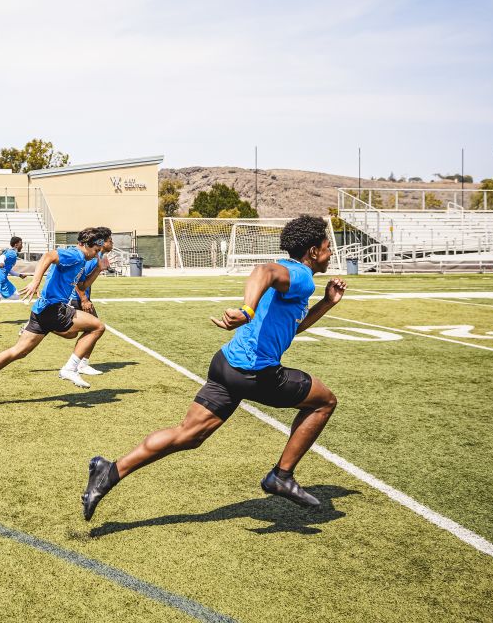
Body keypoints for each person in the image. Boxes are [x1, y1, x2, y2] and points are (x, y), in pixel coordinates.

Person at [80, 215, 346, 520]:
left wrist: (326, 304)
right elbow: (263, 271)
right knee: (325, 401)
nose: (330, 254)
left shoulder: (298, 281)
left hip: (226, 365)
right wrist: (247, 309)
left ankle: (108, 471)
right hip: (254, 373)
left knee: (188, 435)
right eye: (328, 248)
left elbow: (291, 328)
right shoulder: (301, 276)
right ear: (313, 251)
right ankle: (282, 476)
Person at [0, 226, 109, 406]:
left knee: (19, 351)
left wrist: (98, 269)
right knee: (97, 327)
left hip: (43, 310)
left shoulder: (81, 260)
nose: (96, 255)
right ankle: (69, 369)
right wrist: (35, 281)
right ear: (86, 245)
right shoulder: (76, 255)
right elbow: (48, 256)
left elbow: (82, 285)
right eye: (95, 250)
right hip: (53, 308)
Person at [66, 235, 115, 376]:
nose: (112, 243)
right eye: (110, 241)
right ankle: (81, 364)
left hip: (81, 297)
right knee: (95, 328)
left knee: (89, 329)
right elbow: (77, 279)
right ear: (102, 242)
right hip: (77, 298)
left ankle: (81, 363)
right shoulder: (94, 256)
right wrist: (84, 299)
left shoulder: (98, 256)